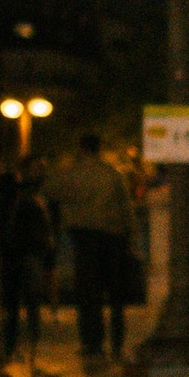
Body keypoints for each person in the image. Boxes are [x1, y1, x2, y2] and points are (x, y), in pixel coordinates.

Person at [54, 130, 137, 364]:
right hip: (113, 239)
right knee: (115, 295)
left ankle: (93, 343)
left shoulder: (73, 175)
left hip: (85, 240)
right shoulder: (112, 175)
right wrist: (131, 236)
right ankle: (117, 342)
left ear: (82, 149)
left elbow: (51, 190)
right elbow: (127, 209)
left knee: (89, 295)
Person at [0, 167, 57, 361]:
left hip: (13, 257)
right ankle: (31, 342)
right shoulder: (31, 205)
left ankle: (12, 345)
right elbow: (43, 235)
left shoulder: (5, 207)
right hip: (29, 256)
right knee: (30, 302)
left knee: (12, 304)